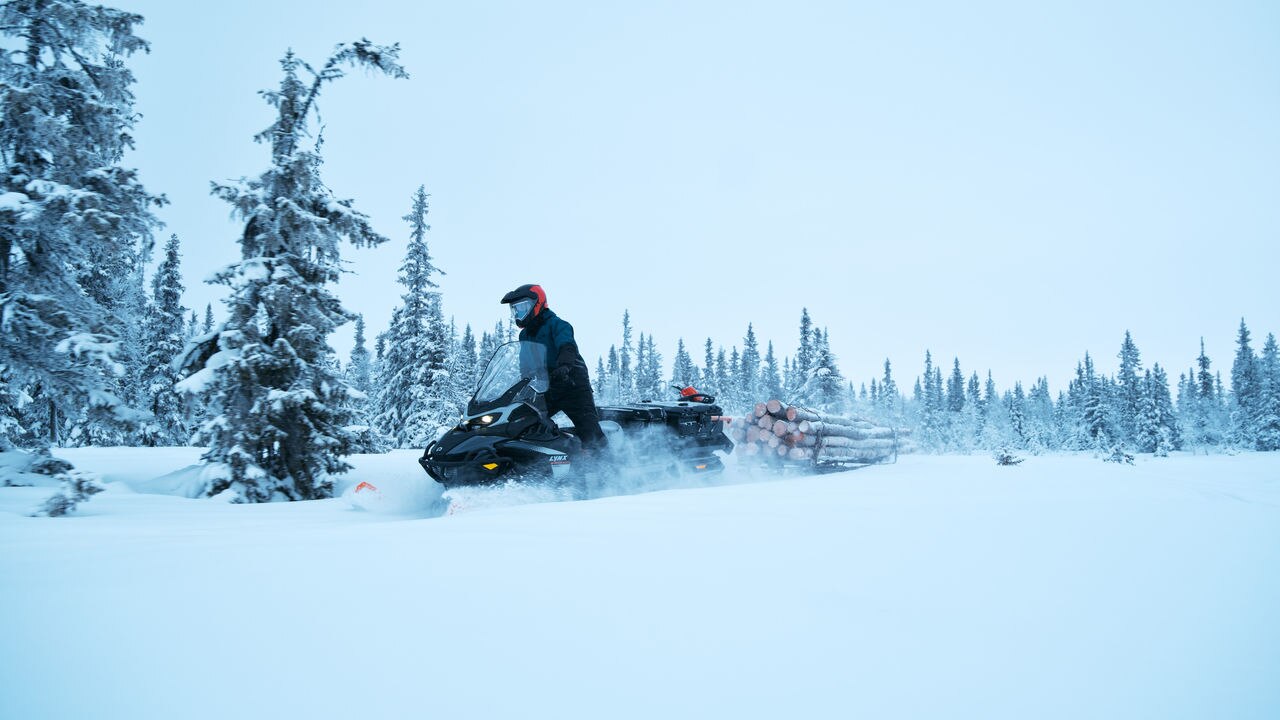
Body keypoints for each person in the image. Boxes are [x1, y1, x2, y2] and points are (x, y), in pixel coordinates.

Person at [501, 284, 608, 451]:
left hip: (572, 383)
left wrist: (564, 366)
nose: (518, 314)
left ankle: (608, 467)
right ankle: (530, 462)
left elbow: (567, 346)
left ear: (537, 304)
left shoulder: (558, 325)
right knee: (523, 421)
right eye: (515, 310)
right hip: (546, 387)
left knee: (589, 429)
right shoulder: (525, 334)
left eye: (522, 308)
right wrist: (523, 383)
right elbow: (525, 362)